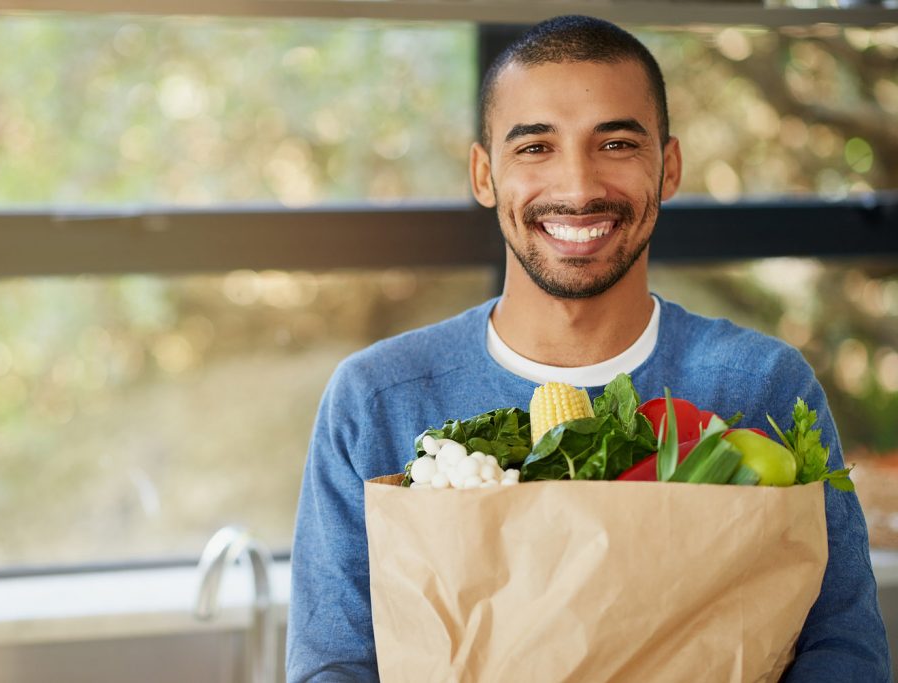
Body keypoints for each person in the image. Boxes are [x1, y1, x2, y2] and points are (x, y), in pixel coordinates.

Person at [286, 14, 891, 682]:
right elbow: (333, 663)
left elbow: (845, 648)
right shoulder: (376, 399)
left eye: (617, 144)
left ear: (670, 168)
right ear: (484, 175)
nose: (577, 189)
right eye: (535, 148)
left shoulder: (762, 385)